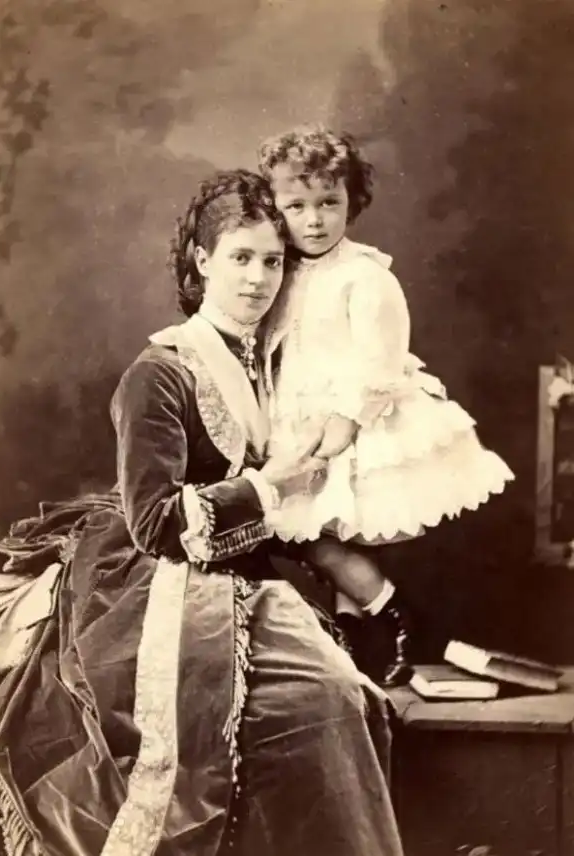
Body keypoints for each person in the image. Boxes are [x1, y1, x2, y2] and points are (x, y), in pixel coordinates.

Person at [0, 169, 404, 856]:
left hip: (240, 573)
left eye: (273, 261)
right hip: (155, 577)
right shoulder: (161, 371)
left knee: (343, 694)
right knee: (311, 703)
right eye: (240, 258)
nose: (258, 279)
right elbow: (153, 523)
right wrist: (268, 486)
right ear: (202, 261)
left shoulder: (268, 361)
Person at [257, 126, 515, 685]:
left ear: (352, 201)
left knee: (318, 534)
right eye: (296, 206)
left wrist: (345, 423)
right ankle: (371, 632)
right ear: (276, 208)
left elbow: (381, 361)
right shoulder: (280, 270)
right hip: (297, 421)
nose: (314, 220)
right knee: (314, 534)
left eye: (329, 203)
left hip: (355, 419)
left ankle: (394, 619)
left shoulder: (365, 275)